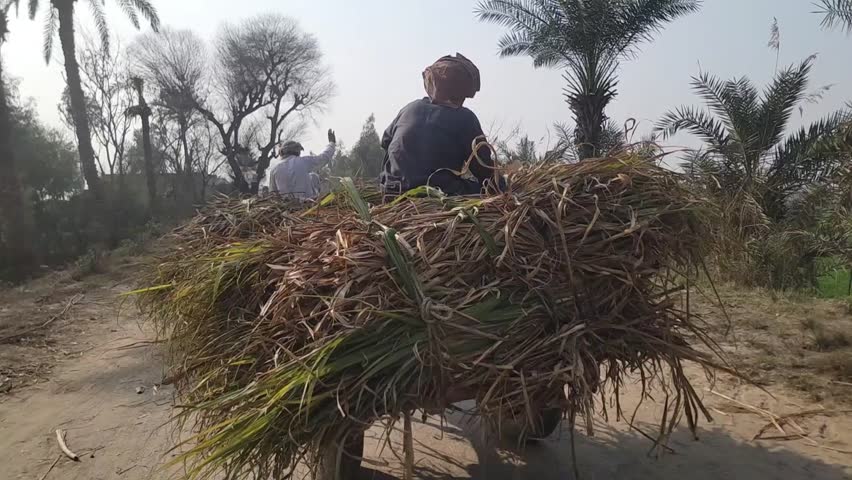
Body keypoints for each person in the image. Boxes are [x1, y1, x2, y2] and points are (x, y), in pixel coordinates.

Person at [380, 53, 497, 197]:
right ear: (460, 93)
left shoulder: (409, 109)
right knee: (481, 188)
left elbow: (386, 141)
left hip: (392, 192)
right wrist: (503, 188)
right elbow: (485, 170)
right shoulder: (465, 118)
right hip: (437, 193)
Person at [268, 130, 337, 200]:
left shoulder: (274, 169)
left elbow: (273, 194)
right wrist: (332, 144)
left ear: (281, 153)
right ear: (297, 151)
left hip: (284, 207)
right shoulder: (303, 161)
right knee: (314, 176)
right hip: (307, 205)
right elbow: (324, 157)